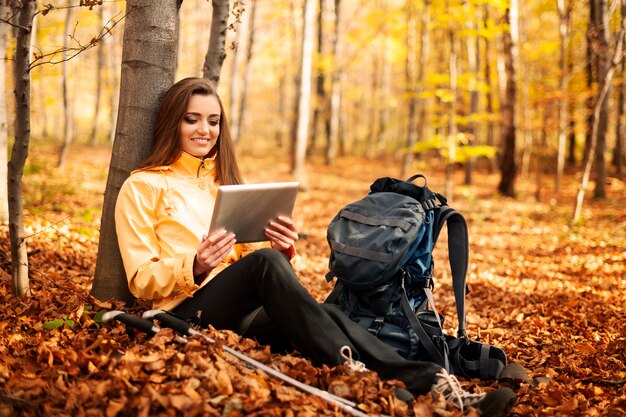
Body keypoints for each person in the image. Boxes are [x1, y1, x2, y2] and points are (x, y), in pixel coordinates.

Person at [114, 77, 516, 416]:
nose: (205, 130)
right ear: (172, 123)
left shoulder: (224, 183)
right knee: (269, 265)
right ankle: (355, 375)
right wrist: (196, 264)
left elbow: (248, 263)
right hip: (184, 313)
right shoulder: (144, 186)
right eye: (192, 119)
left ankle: (441, 390)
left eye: (214, 121)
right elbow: (139, 279)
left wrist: (282, 247)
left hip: (240, 312)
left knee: (330, 313)